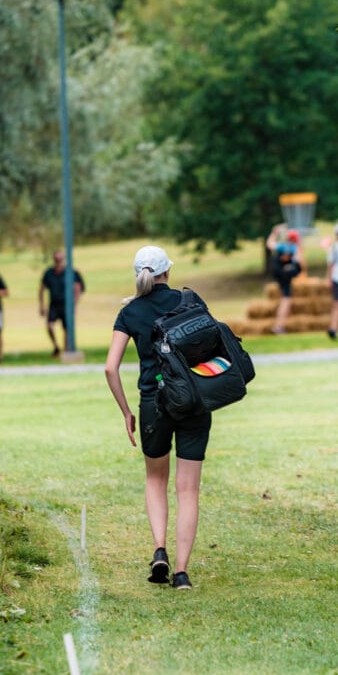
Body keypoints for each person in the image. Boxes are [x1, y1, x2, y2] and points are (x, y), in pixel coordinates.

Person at [104, 245, 210, 590]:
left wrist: (126, 412)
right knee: (188, 489)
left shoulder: (130, 312)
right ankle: (181, 573)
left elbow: (110, 367)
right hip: (193, 402)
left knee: (155, 480)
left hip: (153, 405)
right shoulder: (189, 303)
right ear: (168, 272)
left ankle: (159, 550)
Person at [38, 250, 84, 357]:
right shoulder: (49, 273)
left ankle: (66, 350)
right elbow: (41, 289)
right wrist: (41, 305)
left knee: (67, 329)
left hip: (66, 304)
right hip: (54, 304)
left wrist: (74, 304)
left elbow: (78, 288)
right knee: (49, 326)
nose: (58, 262)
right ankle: (56, 347)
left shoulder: (71, 272)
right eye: (56, 260)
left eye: (60, 259)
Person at [267, 227, 303, 334]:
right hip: (285, 276)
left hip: (278, 274)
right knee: (286, 300)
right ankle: (279, 326)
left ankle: (280, 325)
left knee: (286, 298)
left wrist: (274, 233)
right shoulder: (293, 248)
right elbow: (299, 262)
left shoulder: (282, 246)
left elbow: (269, 244)